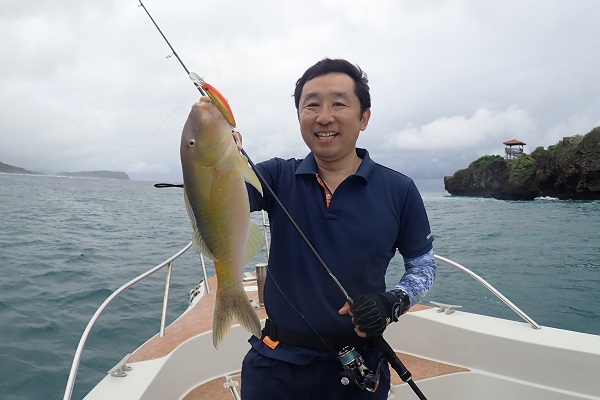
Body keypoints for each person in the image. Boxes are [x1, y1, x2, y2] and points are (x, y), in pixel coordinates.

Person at [238, 58, 436, 400]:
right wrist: (216, 155)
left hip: (359, 365)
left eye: (339, 104)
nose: (324, 117)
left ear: (364, 117)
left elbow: (423, 267)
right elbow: (214, 200)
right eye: (311, 105)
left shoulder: (399, 189)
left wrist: (392, 302)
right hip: (276, 362)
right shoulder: (274, 176)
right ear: (299, 115)